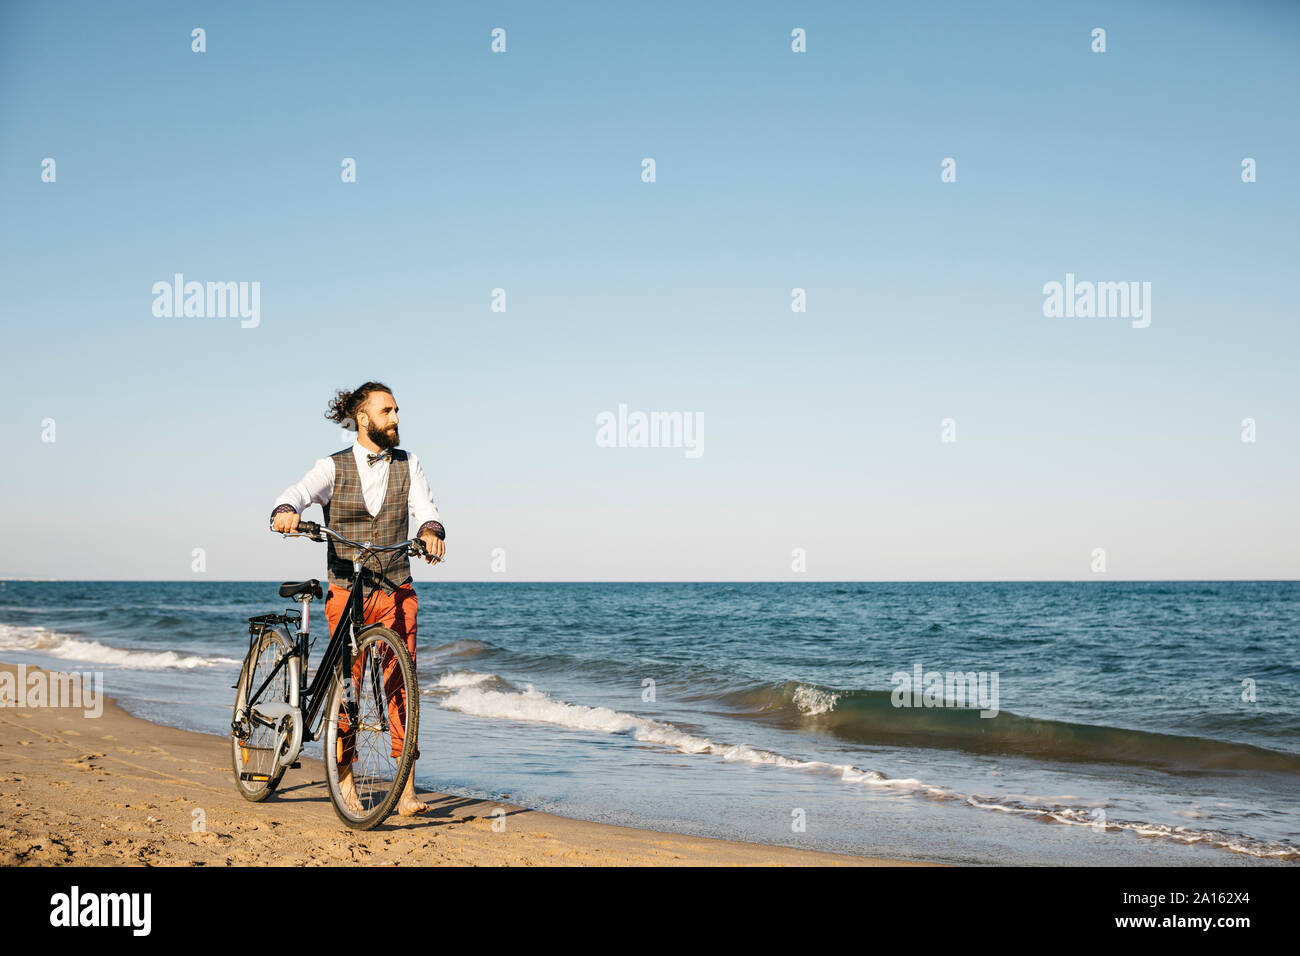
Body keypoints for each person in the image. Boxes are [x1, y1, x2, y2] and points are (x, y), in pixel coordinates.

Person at [269, 381, 445, 816]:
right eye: (387, 411)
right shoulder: (331, 467)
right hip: (348, 591)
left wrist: (431, 533)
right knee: (348, 689)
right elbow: (296, 493)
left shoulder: (410, 464)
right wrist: (286, 513)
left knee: (401, 686)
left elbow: (427, 511)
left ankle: (405, 790)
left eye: (398, 410)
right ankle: (344, 777)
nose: (396, 418)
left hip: (396, 589)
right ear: (363, 418)